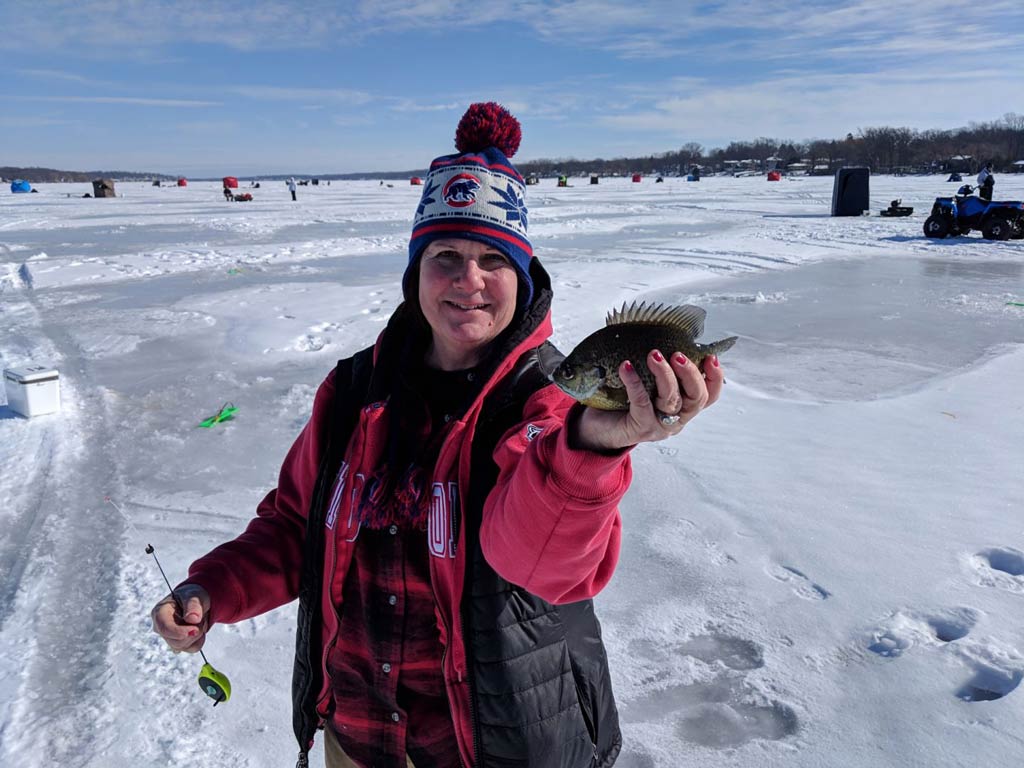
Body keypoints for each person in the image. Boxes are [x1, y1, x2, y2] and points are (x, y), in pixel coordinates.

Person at [152, 103, 725, 768]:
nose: (468, 281)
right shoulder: (352, 392)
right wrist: (214, 588)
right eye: (445, 255)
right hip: (359, 738)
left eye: (493, 259)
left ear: (524, 275)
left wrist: (591, 449)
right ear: (415, 272)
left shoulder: (547, 403)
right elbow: (293, 527)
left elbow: (537, 564)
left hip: (490, 746)